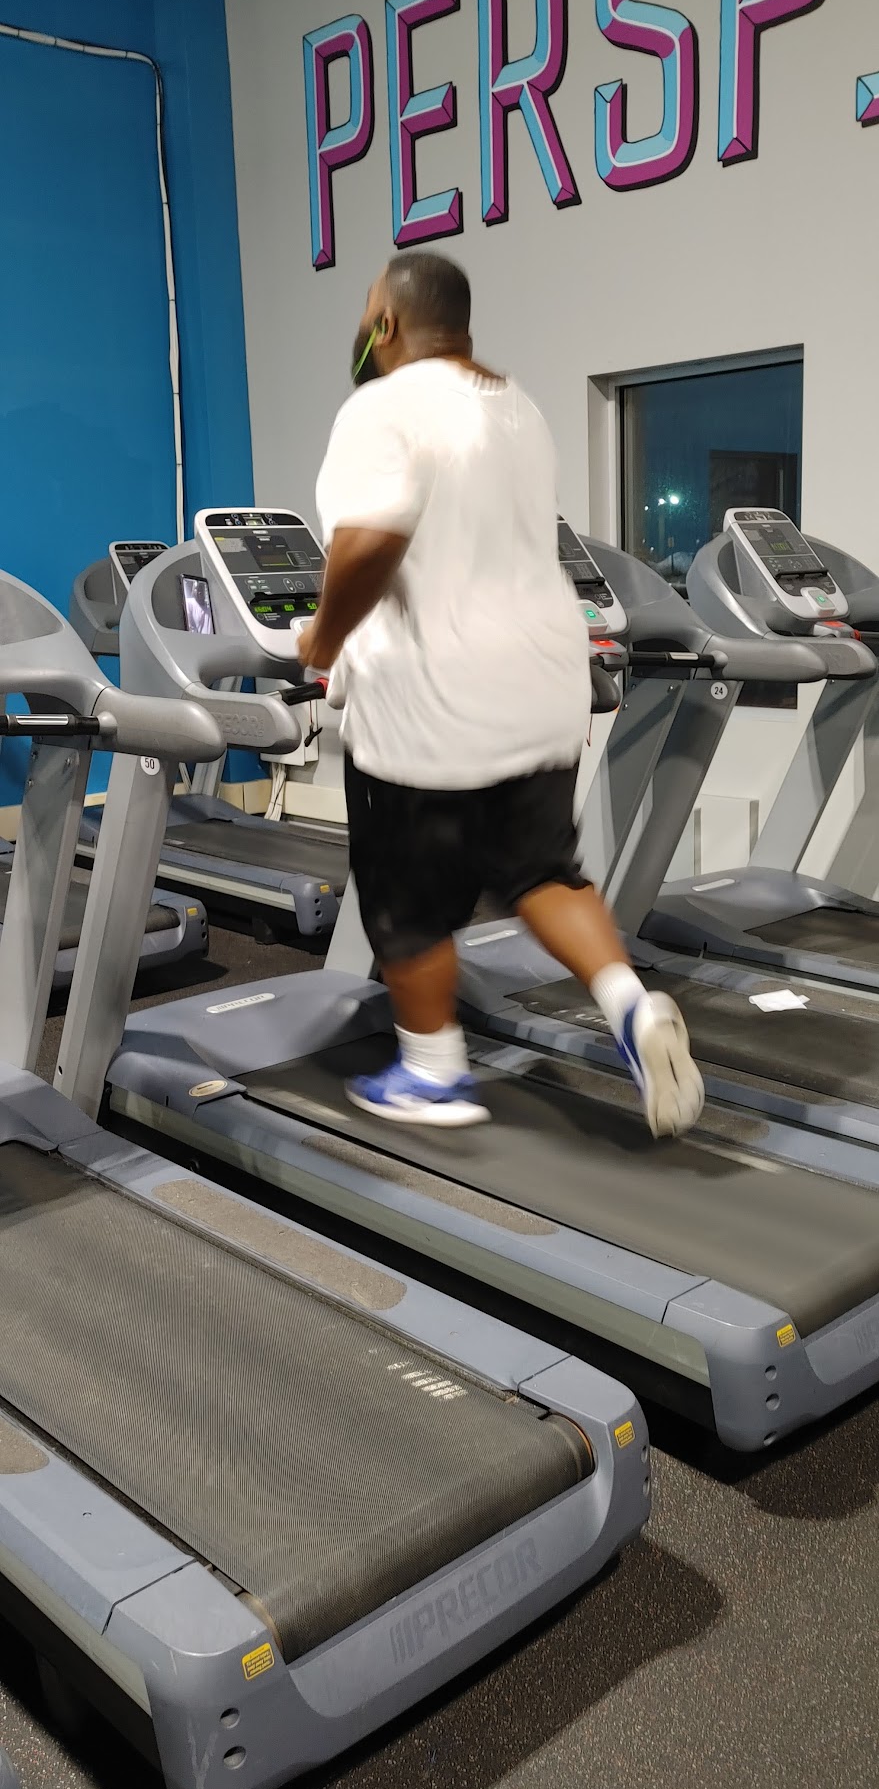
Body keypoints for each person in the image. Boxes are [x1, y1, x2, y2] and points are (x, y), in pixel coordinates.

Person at [297, 250, 704, 1138]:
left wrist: (321, 638)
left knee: (407, 900)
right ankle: (630, 1006)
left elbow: (368, 540)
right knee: (543, 872)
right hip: (543, 680)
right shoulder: (517, 407)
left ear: (387, 323)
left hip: (428, 696)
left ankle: (432, 1073)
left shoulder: (382, 406)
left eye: (367, 314)